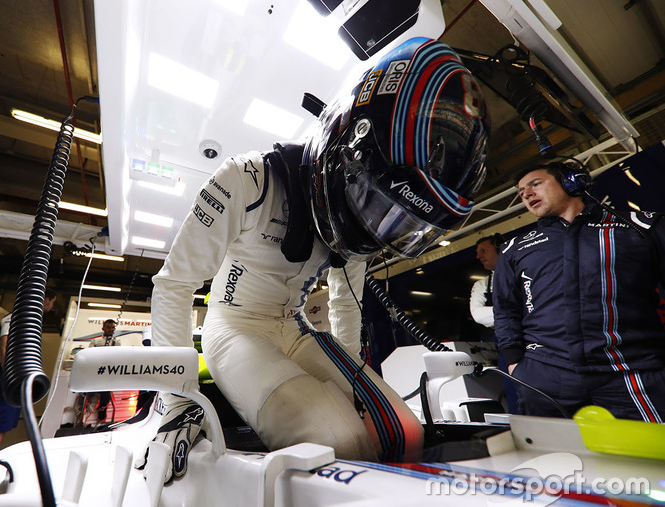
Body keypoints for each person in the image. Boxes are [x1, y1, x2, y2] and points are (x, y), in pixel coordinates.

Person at [137, 37, 490, 481]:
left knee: (404, 431)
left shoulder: (357, 223)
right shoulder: (246, 179)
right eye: (376, 201)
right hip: (234, 327)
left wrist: (353, 373)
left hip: (296, 327)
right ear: (347, 150)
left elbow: (347, 302)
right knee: (334, 439)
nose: (376, 224)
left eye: (393, 217)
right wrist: (176, 401)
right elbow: (174, 284)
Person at [494, 162, 665, 421]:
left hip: (631, 368)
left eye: (535, 184)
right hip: (545, 375)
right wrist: (515, 362)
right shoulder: (514, 249)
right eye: (520, 192)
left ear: (571, 182)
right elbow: (505, 309)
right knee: (555, 459)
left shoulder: (640, 226)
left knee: (652, 456)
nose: (526, 194)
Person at [0, 290, 57, 451]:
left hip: (3, 376)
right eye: (52, 302)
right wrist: (10, 378)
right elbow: (5, 346)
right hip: (2, 377)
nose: (52, 307)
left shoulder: (28, 320)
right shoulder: (16, 317)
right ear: (46, 299)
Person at [469, 233, 518, 413]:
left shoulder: (520, 272)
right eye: (477, 252)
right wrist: (517, 314)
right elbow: (478, 315)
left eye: (484, 250)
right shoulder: (481, 285)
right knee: (514, 395)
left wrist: (499, 320)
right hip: (505, 348)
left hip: (534, 342)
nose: (478, 256)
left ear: (499, 248)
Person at [87, 319, 119, 421]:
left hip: (107, 375)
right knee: (89, 396)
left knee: (105, 397)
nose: (111, 329)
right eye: (108, 327)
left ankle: (101, 417)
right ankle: (85, 416)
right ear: (103, 328)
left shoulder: (116, 342)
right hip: (95, 374)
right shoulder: (96, 341)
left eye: (113, 327)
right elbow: (90, 356)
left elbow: (117, 357)